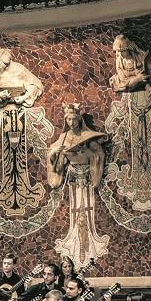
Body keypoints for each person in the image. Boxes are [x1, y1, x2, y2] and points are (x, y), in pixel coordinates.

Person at [46, 104, 110, 266]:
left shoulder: (86, 135)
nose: (71, 122)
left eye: (74, 119)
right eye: (68, 119)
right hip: (73, 178)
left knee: (87, 208)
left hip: (87, 177)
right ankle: (74, 241)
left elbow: (99, 153)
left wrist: (87, 153)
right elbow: (52, 155)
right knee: (75, 209)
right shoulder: (65, 136)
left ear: (79, 119)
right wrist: (54, 153)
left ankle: (89, 244)